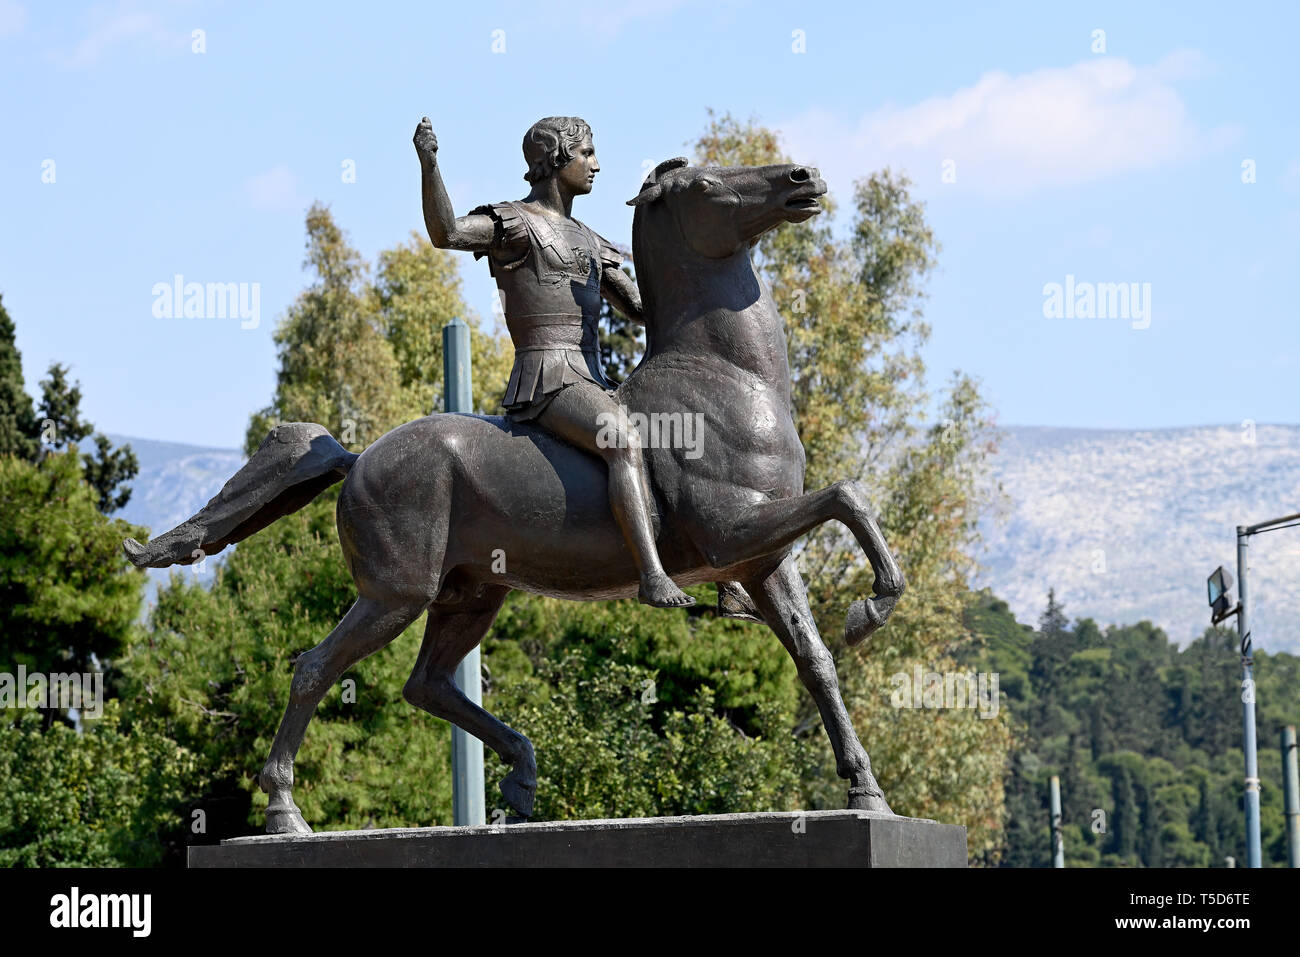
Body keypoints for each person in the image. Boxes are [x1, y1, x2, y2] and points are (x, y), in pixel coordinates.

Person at [414, 115, 694, 608]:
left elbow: (641, 309)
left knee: (681, 443)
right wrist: (430, 164)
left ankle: (726, 572)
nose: (596, 165)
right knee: (622, 440)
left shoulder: (591, 240)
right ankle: (651, 576)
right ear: (556, 157)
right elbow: (448, 233)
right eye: (587, 153)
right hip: (547, 379)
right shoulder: (514, 223)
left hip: (595, 380)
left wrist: (680, 231)